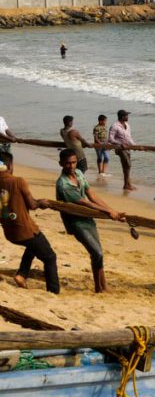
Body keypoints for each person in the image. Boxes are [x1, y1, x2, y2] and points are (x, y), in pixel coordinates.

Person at [54, 148, 124, 293]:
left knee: (98, 252)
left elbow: (92, 195)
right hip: (76, 222)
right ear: (61, 163)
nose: (71, 166)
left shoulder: (79, 174)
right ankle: (99, 287)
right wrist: (109, 212)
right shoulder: (63, 184)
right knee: (97, 252)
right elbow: (85, 203)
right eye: (68, 163)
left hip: (87, 219)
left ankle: (102, 286)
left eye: (73, 162)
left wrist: (113, 211)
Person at [0, 151, 58, 294]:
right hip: (25, 230)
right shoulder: (18, 181)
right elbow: (32, 204)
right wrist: (41, 203)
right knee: (50, 257)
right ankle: (53, 292)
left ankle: (22, 274)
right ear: (9, 165)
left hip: (9, 231)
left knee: (32, 247)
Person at [106, 109, 136, 190]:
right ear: (122, 117)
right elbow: (111, 139)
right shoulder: (114, 126)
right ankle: (127, 184)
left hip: (127, 148)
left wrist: (135, 146)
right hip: (120, 148)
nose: (128, 117)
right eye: (126, 115)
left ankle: (127, 184)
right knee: (128, 165)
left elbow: (129, 138)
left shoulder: (127, 125)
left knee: (127, 166)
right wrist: (120, 143)